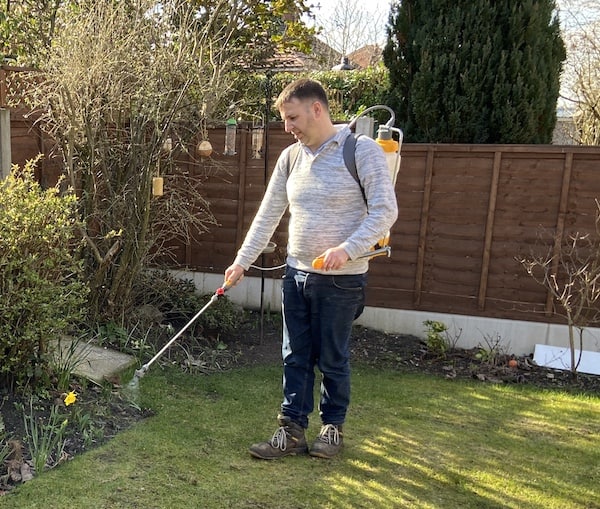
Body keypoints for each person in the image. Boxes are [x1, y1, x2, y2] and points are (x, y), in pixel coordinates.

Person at [224, 78, 398, 460]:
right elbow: (267, 214)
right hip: (296, 274)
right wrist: (241, 261)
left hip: (342, 281)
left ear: (317, 109)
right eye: (285, 120)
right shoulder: (291, 158)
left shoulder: (360, 150)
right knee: (294, 355)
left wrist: (347, 248)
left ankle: (332, 429)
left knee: (332, 357)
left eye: (293, 117)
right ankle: (292, 430)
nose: (288, 127)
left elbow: (385, 212)